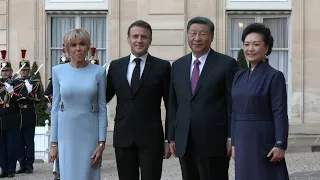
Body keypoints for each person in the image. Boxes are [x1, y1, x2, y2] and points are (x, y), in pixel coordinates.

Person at [168, 16, 239, 180]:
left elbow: (232, 105)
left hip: (214, 140)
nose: (197, 38)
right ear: (187, 35)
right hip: (185, 140)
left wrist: (231, 137)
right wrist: (171, 136)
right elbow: (173, 104)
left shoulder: (227, 64)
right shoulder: (178, 65)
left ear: (212, 36)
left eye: (202, 34)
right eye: (193, 33)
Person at [106, 20, 171, 180]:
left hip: (151, 137)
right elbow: (104, 98)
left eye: (144, 37)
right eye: (135, 36)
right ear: (128, 39)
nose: (139, 40)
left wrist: (169, 139)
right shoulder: (116, 66)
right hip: (123, 136)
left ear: (150, 40)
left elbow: (171, 105)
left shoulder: (162, 67)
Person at [231, 23, 289, 180]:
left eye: (256, 44)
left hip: (263, 138)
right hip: (242, 138)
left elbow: (279, 111)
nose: (250, 49)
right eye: (246, 44)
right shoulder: (238, 76)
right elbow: (234, 111)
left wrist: (280, 143)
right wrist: (234, 141)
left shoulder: (274, 76)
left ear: (266, 48)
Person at [49, 28, 107, 180]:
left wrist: (101, 143)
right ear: (67, 48)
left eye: (82, 44)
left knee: (89, 175)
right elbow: (55, 108)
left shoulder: (99, 72)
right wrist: (53, 144)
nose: (78, 48)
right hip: (66, 134)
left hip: (90, 133)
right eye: (73, 45)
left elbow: (102, 108)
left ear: (88, 46)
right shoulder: (57, 71)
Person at [44, 47, 69, 180]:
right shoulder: (55, 77)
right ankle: (57, 170)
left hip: (69, 114)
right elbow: (46, 94)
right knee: (57, 143)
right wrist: (52, 98)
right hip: (58, 113)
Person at [16, 49, 42, 174]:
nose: (24, 72)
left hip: (29, 112)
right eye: (22, 70)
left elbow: (40, 98)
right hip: (18, 114)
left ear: (29, 70)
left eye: (26, 69)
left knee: (29, 140)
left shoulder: (35, 82)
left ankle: (29, 164)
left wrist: (32, 94)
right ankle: (22, 163)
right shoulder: (15, 83)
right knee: (19, 140)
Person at [0, 50, 24, 178]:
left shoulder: (17, 84)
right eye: (2, 71)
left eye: (7, 70)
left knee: (12, 146)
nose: (4, 73)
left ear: (11, 71)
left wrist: (11, 92)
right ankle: (3, 169)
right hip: (1, 119)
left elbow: (22, 98)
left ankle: (11, 169)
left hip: (13, 118)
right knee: (2, 147)